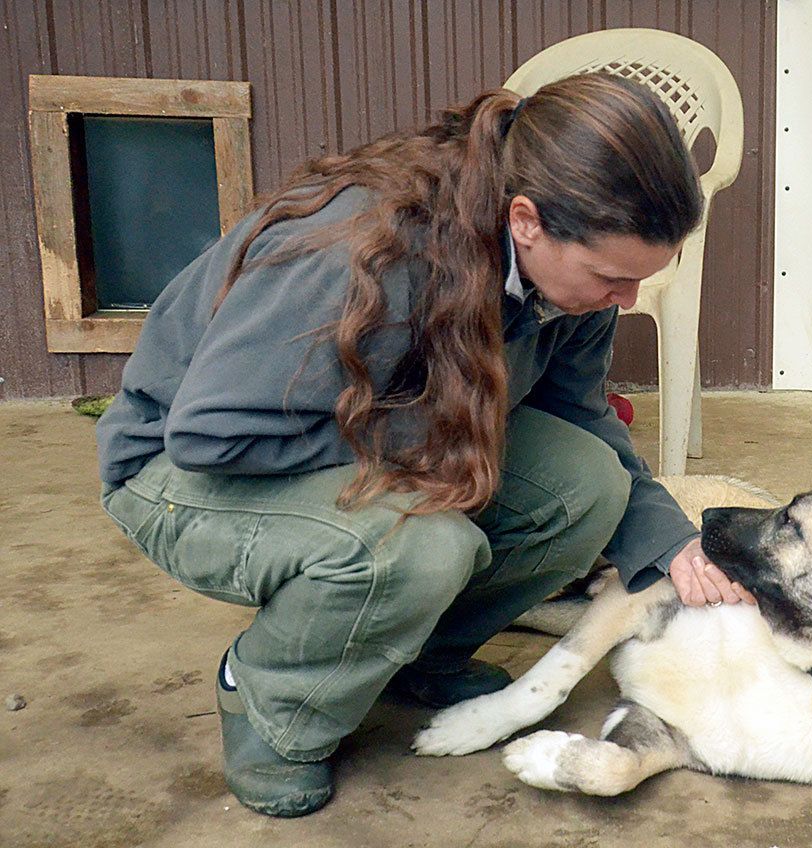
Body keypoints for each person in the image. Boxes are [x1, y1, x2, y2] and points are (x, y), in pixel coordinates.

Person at [95, 73, 754, 819]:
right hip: (183, 471)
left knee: (587, 484)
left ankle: (420, 655)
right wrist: (440, 445)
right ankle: (272, 707)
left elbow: (579, 414)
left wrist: (670, 542)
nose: (627, 300)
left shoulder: (572, 283)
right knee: (422, 547)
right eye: (611, 276)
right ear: (528, 221)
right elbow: (211, 433)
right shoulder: (361, 253)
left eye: (638, 278)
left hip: (373, 438)